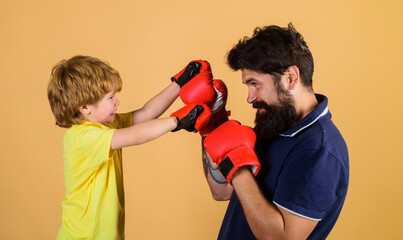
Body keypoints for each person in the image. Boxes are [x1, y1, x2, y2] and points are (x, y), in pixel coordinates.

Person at [201, 23, 350, 239]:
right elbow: (222, 191)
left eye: (255, 84)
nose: (249, 97)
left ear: (290, 77)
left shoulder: (319, 151)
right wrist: (210, 126)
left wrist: (237, 165)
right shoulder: (274, 123)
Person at [47, 55, 211, 240]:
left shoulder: (107, 125)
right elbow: (136, 135)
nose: (117, 102)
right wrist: (177, 121)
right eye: (110, 97)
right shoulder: (82, 137)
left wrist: (179, 83)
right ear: (84, 107)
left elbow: (146, 113)